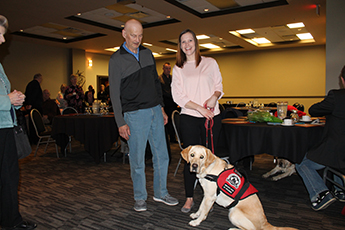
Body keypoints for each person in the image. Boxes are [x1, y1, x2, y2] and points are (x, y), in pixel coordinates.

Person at [108, 19, 178, 212]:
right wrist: (120, 122)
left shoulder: (148, 53)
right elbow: (114, 94)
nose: (137, 39)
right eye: (133, 35)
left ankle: (161, 192)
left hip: (155, 110)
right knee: (137, 159)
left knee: (162, 156)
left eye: (140, 35)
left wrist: (162, 108)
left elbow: (156, 83)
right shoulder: (116, 60)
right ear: (124, 34)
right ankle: (140, 197)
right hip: (134, 115)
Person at [171, 29, 224, 213]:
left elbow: (218, 86)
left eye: (190, 40)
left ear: (196, 42)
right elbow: (178, 96)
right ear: (180, 46)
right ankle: (189, 198)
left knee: (210, 158)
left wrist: (214, 97)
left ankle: (212, 194)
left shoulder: (210, 62)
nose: (187, 45)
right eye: (183, 42)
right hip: (190, 118)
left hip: (211, 117)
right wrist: (199, 108)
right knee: (191, 160)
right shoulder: (178, 68)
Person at [0, 14, 37, 230]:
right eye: (1, 35)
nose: (4, 41)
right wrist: (7, 100)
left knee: (10, 178)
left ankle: (10, 219)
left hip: (6, 127)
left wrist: (14, 100)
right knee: (7, 178)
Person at [295, 65, 345, 211]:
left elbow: (313, 110)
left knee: (302, 163)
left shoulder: (337, 96)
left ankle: (320, 194)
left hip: (337, 149)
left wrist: (331, 110)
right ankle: (340, 190)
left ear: (342, 79)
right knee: (336, 161)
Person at [158, 62, 178, 143]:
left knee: (173, 121)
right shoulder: (160, 79)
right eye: (166, 68)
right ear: (163, 68)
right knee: (166, 122)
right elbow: (162, 92)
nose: (168, 70)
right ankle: (165, 139)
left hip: (172, 103)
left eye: (169, 68)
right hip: (165, 103)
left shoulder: (172, 78)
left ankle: (173, 138)